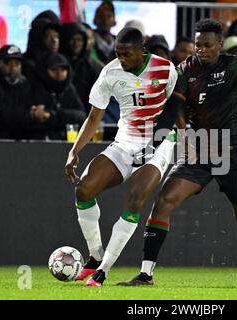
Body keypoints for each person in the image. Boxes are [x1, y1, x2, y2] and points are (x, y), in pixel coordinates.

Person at [118, 19, 237, 286]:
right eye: (198, 45)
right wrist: (152, 145)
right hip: (199, 149)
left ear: (220, 44)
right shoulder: (185, 70)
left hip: (233, 153)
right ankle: (146, 274)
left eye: (207, 45)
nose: (201, 50)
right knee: (164, 201)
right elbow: (173, 109)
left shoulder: (233, 66)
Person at [64, 27, 178, 287]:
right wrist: (74, 151)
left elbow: (177, 107)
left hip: (158, 143)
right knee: (84, 189)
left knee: (136, 196)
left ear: (142, 49)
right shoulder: (110, 72)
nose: (122, 59)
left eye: (127, 54)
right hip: (125, 142)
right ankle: (95, 256)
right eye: (118, 53)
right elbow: (95, 116)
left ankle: (102, 271)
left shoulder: (165, 69)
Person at [31, 53, 86, 140]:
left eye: (63, 69)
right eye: (53, 69)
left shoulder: (69, 88)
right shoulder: (37, 88)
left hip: (66, 141)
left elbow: (81, 115)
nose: (59, 73)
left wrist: (51, 116)